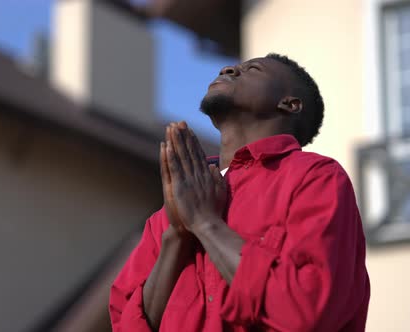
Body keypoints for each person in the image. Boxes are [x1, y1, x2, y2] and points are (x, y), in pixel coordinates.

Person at [109, 53, 370, 332]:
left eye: (253, 69)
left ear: (289, 104)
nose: (228, 68)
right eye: (232, 66)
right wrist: (177, 236)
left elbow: (306, 311)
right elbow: (125, 323)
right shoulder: (174, 206)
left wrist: (205, 223)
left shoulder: (315, 177)